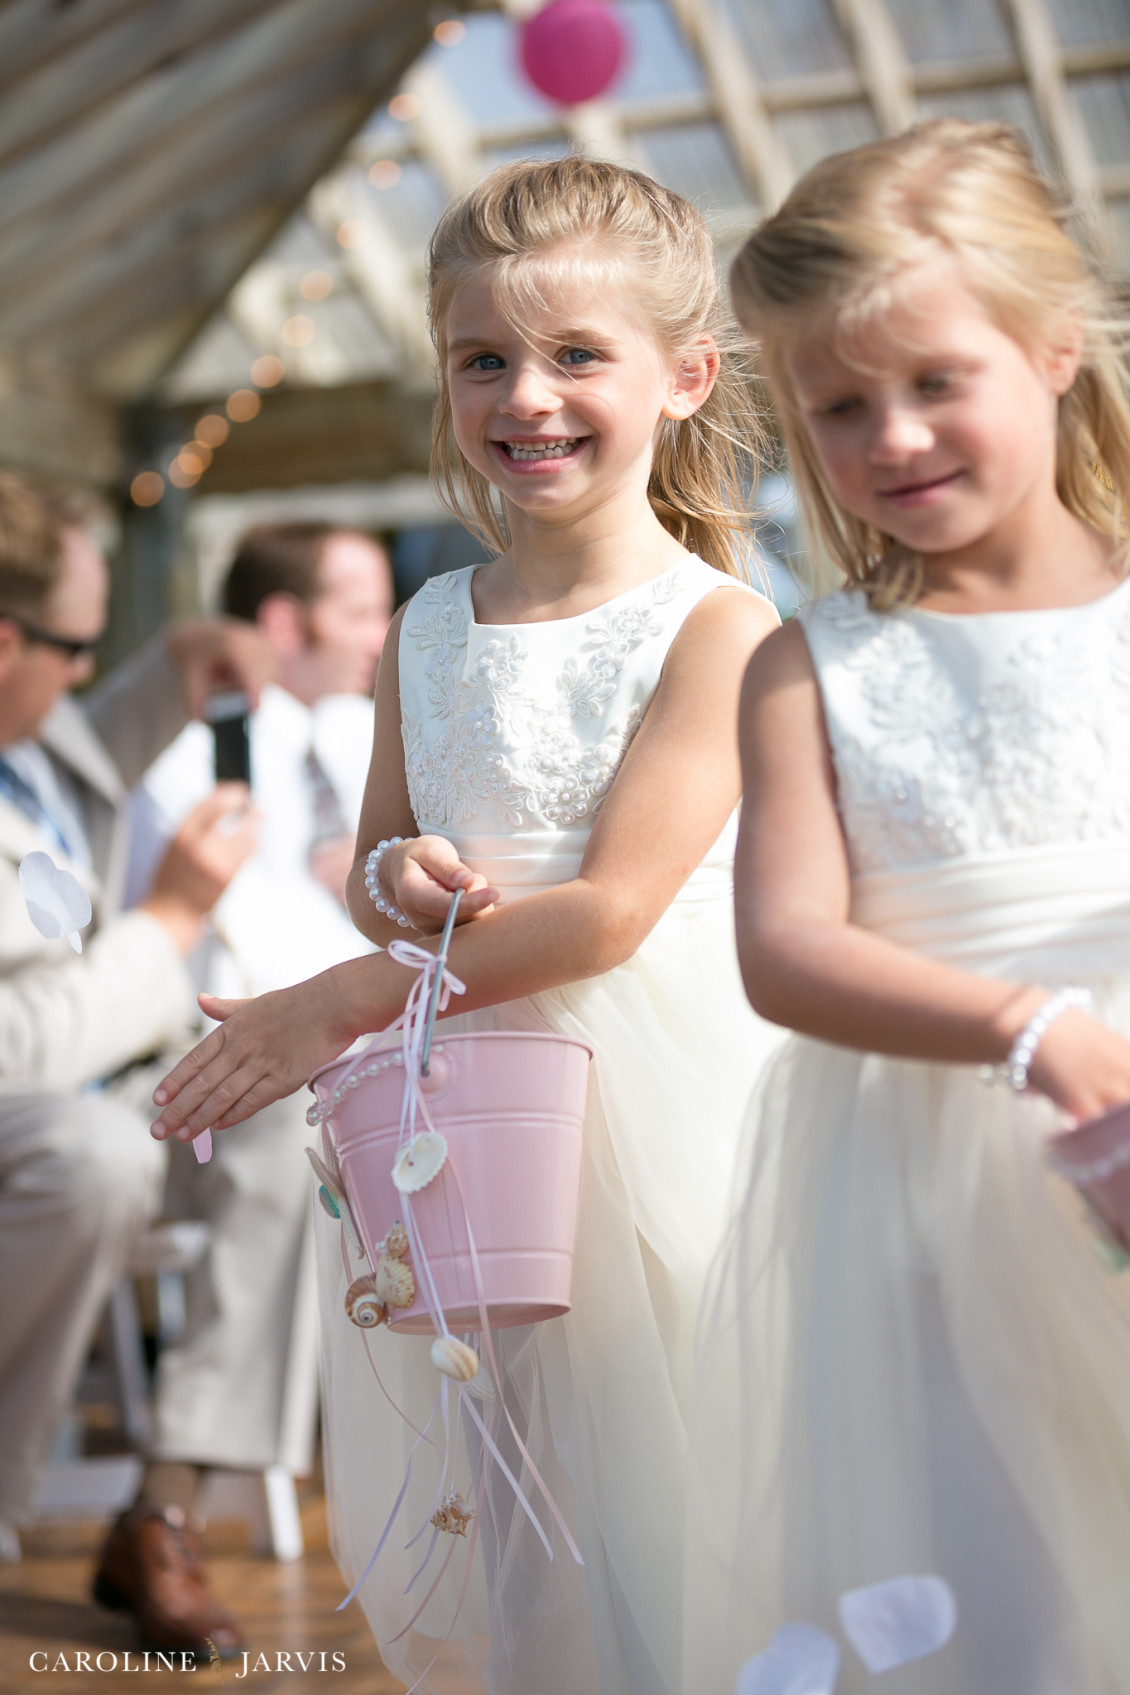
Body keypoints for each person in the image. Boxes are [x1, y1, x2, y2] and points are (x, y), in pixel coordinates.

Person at [148, 156, 781, 1694]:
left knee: (677, 1486)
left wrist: (342, 994)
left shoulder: (718, 625)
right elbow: (368, 851)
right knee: (508, 1505)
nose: (526, 394)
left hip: (654, 1099)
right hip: (460, 1100)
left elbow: (614, 907)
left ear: (683, 377)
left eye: (577, 355)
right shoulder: (429, 623)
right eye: (482, 357)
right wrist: (403, 880)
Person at [685, 119, 1130, 1694]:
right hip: (931, 1173)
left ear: (1055, 343)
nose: (892, 436)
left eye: (936, 380)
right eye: (840, 406)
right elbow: (786, 948)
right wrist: (1031, 1027)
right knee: (1007, 1592)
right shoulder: (814, 663)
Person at [99, 523, 392, 1649]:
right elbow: (176, 943)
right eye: (360, 610)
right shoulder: (190, 750)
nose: (382, 635)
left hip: (332, 1056)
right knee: (284, 1124)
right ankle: (167, 1505)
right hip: (186, 1059)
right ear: (284, 626)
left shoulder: (350, 740)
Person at [0, 473, 265, 1607]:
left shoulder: (36, 727)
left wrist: (178, 660)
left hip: (118, 1090)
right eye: (75, 649)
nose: (81, 676)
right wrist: (168, 919)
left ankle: (167, 1500)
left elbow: (75, 762)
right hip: (46, 1113)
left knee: (294, 1097)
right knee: (90, 1156)